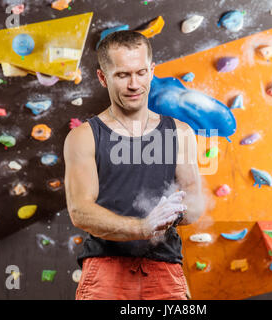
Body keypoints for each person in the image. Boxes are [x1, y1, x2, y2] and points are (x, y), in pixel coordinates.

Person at [63, 30, 205, 300]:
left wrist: (169, 214)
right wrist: (142, 227)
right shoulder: (83, 137)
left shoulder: (180, 132)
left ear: (152, 70)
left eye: (141, 72)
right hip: (105, 268)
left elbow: (195, 202)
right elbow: (80, 211)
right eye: (122, 75)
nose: (134, 84)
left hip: (164, 267)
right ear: (103, 78)